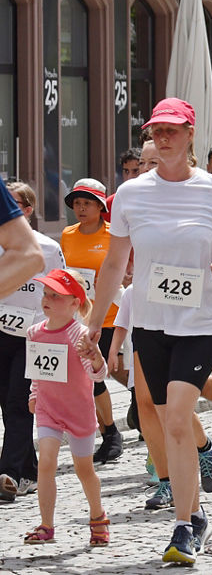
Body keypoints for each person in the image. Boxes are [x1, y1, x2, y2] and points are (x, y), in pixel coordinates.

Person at [89, 98, 212, 564]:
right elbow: (116, 262)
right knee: (162, 417)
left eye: (172, 130)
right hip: (151, 322)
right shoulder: (133, 193)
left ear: (190, 133)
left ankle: (181, 527)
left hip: (200, 320)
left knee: (176, 417)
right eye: (156, 129)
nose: (163, 137)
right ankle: (194, 511)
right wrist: (93, 325)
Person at [21, 269, 110, 547]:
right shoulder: (34, 332)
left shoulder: (80, 334)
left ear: (75, 303)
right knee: (45, 463)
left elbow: (98, 375)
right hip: (48, 409)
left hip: (79, 411)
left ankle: (98, 518)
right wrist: (34, 394)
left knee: (84, 470)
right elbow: (36, 372)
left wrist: (95, 357)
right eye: (45, 294)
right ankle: (46, 524)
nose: (46, 299)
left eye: (55, 296)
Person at [0, 181, 61, 502]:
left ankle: (7, 473)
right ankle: (29, 470)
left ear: (26, 210)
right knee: (5, 403)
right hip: (1, 333)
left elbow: (61, 290)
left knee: (19, 403)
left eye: (13, 204)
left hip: (33, 335)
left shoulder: (46, 247)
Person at [59, 178, 124, 465]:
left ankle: (144, 406)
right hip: (81, 319)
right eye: (77, 203)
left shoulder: (116, 234)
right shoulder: (67, 234)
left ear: (100, 206)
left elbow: (127, 269)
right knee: (91, 377)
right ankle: (110, 433)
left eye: (87, 203)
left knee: (120, 372)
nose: (81, 208)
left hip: (113, 316)